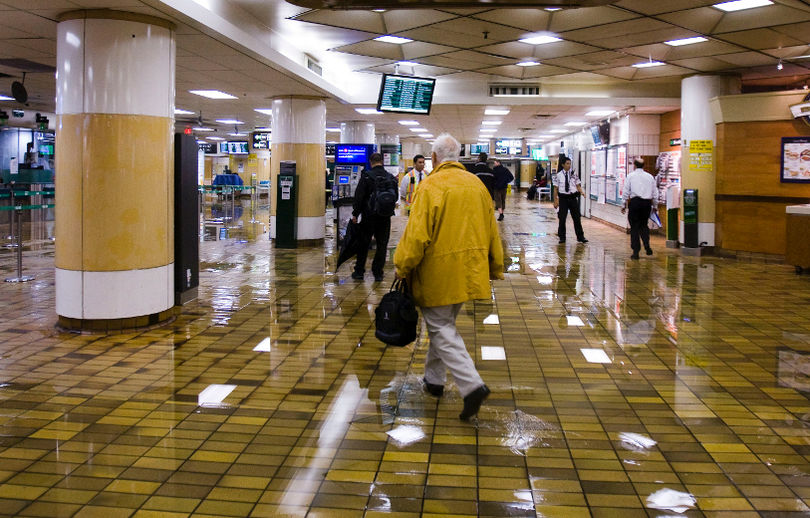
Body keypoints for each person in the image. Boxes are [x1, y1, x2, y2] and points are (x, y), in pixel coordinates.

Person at [393, 133, 503, 421]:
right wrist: (495, 264)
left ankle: (472, 385)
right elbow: (493, 229)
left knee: (441, 328)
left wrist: (402, 264)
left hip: (438, 273)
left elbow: (416, 235)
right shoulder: (477, 185)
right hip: (470, 271)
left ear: (434, 158)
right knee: (444, 325)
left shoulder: (431, 186)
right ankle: (434, 381)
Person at [352, 152, 396, 282]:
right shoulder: (390, 177)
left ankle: (359, 271)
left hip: (368, 216)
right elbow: (396, 197)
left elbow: (359, 197)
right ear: (382, 162)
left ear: (371, 162)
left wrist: (355, 213)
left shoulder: (366, 177)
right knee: (382, 244)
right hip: (385, 216)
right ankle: (378, 273)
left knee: (364, 243)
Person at [621, 157, 657, 259]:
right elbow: (655, 193)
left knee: (634, 228)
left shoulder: (631, 176)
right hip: (646, 204)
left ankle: (636, 252)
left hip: (635, 203)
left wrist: (623, 204)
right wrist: (655, 206)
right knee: (644, 226)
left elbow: (626, 191)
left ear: (635, 165)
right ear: (644, 166)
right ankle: (647, 245)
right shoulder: (650, 177)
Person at [553, 157, 588, 244]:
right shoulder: (558, 175)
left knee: (577, 218)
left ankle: (580, 236)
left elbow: (578, 185)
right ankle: (562, 237)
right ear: (563, 165)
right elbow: (556, 189)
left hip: (573, 198)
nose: (569, 165)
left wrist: (582, 192)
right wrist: (555, 201)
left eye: (570, 163)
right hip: (563, 199)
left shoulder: (574, 174)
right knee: (562, 218)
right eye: (567, 163)